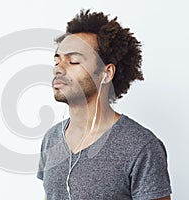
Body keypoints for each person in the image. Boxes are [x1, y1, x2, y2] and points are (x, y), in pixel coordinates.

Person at [37, 9, 172, 200]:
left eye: (73, 61)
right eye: (57, 60)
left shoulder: (141, 146)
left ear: (106, 73)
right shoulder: (51, 139)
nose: (58, 68)